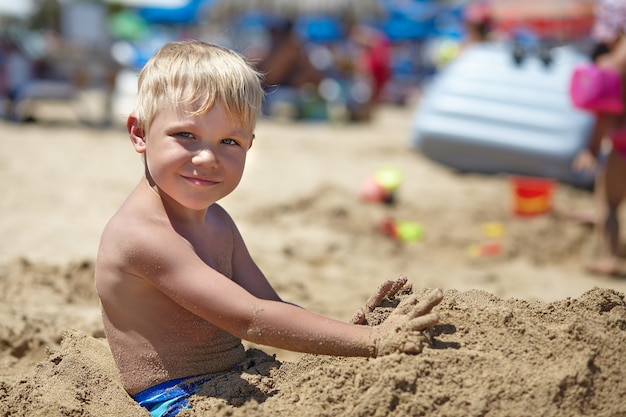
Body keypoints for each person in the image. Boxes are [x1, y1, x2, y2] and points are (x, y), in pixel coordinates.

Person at [94, 40, 443, 417]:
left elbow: (270, 306)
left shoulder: (218, 220)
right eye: (186, 135)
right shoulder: (143, 235)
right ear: (140, 133)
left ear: (250, 145)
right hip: (176, 399)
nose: (207, 157)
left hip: (234, 378)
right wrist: (373, 341)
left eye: (229, 141)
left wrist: (347, 333)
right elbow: (251, 319)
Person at [572, 0, 626, 276]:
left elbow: (605, 114)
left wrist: (591, 149)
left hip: (622, 140)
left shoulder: (612, 63)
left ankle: (609, 258)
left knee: (610, 201)